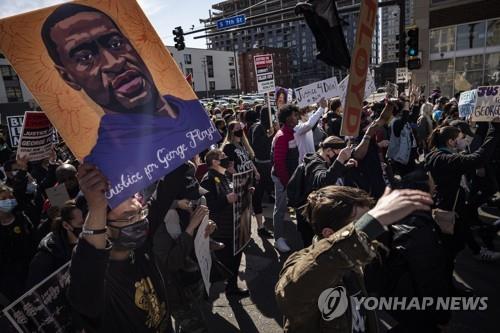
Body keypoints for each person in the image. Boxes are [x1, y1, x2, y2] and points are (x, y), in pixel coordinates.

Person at [41, 3, 218, 203]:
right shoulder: (104, 168)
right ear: (68, 77)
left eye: (115, 44)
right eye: (85, 57)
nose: (113, 62)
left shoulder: (195, 113)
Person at [275, 185, 434, 333]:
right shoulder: (303, 264)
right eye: (360, 225)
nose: (369, 234)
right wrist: (371, 222)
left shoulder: (356, 259)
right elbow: (289, 296)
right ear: (329, 234)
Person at [68, 163, 172, 332]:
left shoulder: (140, 249)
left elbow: (168, 188)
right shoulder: (96, 281)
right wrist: (97, 207)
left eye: (141, 213)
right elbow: (89, 260)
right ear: (104, 226)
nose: (139, 221)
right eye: (129, 216)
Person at [425, 122, 500, 290]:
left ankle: (476, 252)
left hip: (452, 208)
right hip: (448, 211)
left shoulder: (435, 154)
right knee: (449, 252)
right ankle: (445, 289)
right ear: (451, 142)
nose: (465, 140)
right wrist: (494, 128)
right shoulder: (447, 159)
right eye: (461, 138)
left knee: (460, 234)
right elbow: (479, 158)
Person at [152, 163, 216, 333]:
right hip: (175, 290)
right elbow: (171, 263)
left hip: (194, 278)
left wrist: (207, 228)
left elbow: (198, 240)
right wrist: (190, 229)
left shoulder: (190, 208)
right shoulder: (160, 224)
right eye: (190, 199)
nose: (195, 202)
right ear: (176, 200)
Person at [200, 149, 249, 297]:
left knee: (234, 260)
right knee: (222, 262)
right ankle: (204, 292)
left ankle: (231, 288)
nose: (227, 159)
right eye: (223, 157)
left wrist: (245, 192)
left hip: (232, 226)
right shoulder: (208, 179)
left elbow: (233, 192)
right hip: (221, 229)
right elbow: (208, 205)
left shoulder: (225, 175)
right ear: (214, 162)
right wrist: (226, 200)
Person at [27, 200, 83, 288]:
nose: (89, 226)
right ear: (66, 226)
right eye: (82, 224)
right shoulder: (46, 257)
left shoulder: (90, 240)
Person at [271, 104, 300, 253]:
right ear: (287, 118)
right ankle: (278, 239)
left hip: (290, 177)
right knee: (280, 209)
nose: (297, 117)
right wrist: (287, 183)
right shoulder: (282, 136)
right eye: (294, 115)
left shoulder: (290, 133)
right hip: (283, 179)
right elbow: (279, 163)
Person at [0, 184, 36, 303]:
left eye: (10, 197)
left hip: (32, 266)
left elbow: (32, 237)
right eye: (3, 199)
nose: (9, 201)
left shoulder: (21, 216)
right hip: (12, 278)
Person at [247, 108, 274, 238]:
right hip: (260, 164)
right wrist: (270, 136)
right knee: (258, 194)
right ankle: (259, 226)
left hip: (267, 163)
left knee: (264, 190)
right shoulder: (258, 128)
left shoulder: (266, 127)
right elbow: (257, 146)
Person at [294, 98, 327, 162]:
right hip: (303, 162)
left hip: (311, 160)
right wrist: (321, 108)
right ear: (301, 115)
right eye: (306, 112)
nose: (309, 114)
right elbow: (310, 124)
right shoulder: (297, 127)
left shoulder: (304, 125)